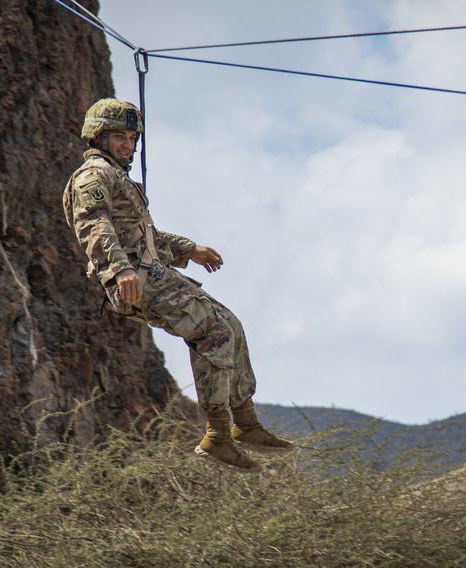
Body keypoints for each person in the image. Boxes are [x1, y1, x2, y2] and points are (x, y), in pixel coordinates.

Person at [63, 98, 293, 473]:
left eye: (131, 137)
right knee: (214, 332)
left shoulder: (118, 177)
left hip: (153, 274)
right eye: (118, 136)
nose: (127, 145)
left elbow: (144, 237)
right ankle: (218, 438)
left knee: (229, 324)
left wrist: (190, 249)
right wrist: (120, 271)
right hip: (137, 281)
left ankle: (245, 423)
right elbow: (94, 226)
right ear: (98, 137)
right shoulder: (93, 176)